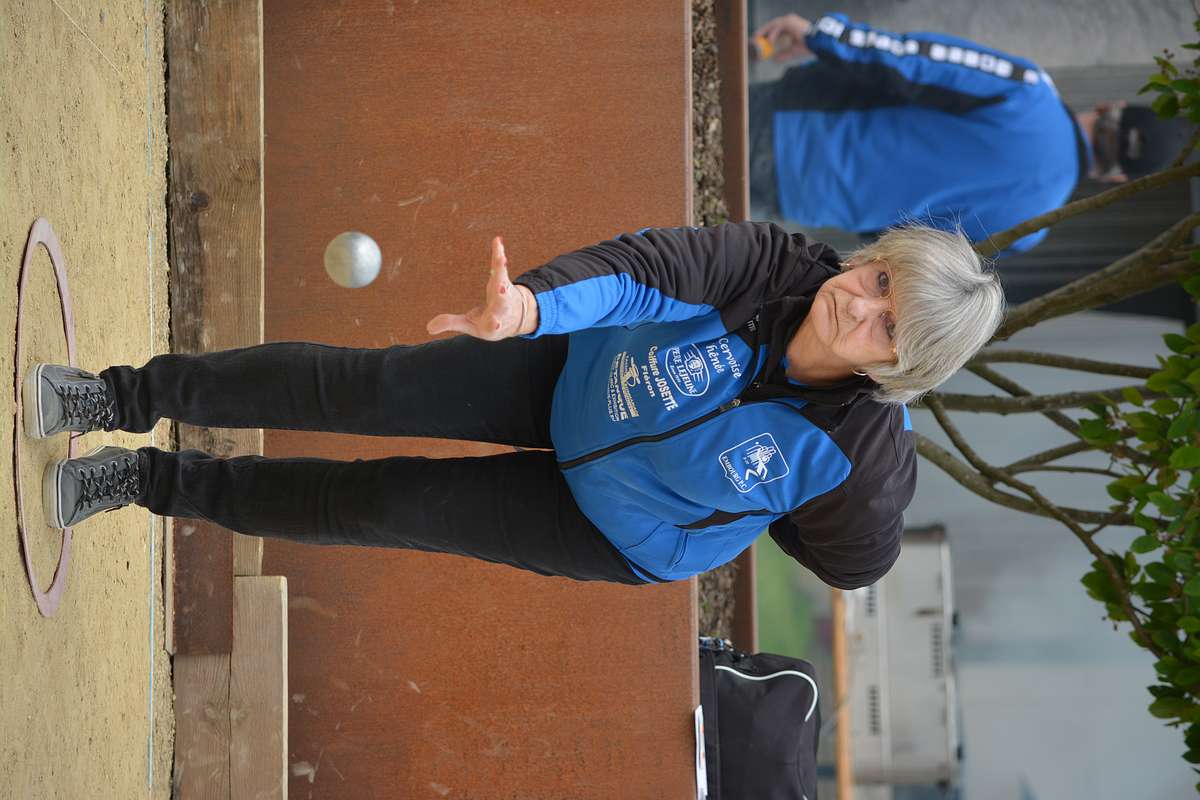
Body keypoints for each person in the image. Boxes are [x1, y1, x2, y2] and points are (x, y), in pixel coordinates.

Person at [25, 222, 1003, 589]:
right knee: (367, 386)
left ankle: (146, 481)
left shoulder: (857, 463)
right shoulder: (774, 271)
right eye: (879, 277)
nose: (858, 304)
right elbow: (646, 271)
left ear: (899, 369)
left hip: (616, 530)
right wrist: (529, 309)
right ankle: (117, 395)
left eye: (886, 325)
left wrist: (743, 513)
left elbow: (851, 560)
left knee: (386, 506)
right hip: (569, 376)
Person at [749, 12, 1192, 255]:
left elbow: (916, 61)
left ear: (1109, 106)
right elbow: (907, 246)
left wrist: (826, 37)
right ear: (1117, 178)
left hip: (791, 119)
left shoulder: (1029, 91)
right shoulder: (1030, 229)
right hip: (803, 199)